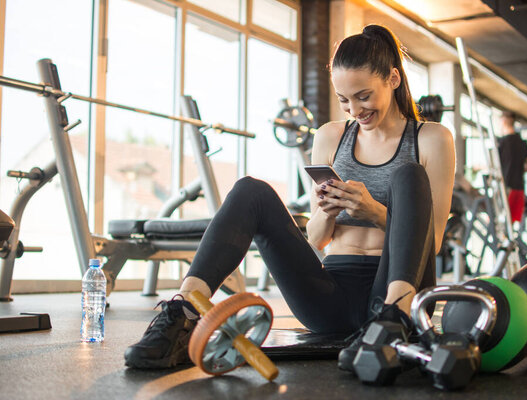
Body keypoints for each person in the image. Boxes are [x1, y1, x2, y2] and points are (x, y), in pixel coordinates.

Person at [124, 24, 455, 372]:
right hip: (329, 298)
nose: (355, 109)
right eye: (344, 100)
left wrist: (373, 211)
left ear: (393, 79)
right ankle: (184, 312)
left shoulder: (431, 139)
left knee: (408, 174)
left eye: (363, 96)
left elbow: (430, 243)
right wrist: (327, 211)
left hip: (395, 292)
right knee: (250, 190)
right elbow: (317, 239)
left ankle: (393, 325)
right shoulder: (331, 136)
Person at [497, 111, 527, 224]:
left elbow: (496, 167)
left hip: (506, 188)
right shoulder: (523, 143)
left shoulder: (501, 143)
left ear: (503, 121)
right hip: (519, 189)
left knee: (500, 224)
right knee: (511, 225)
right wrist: (518, 169)